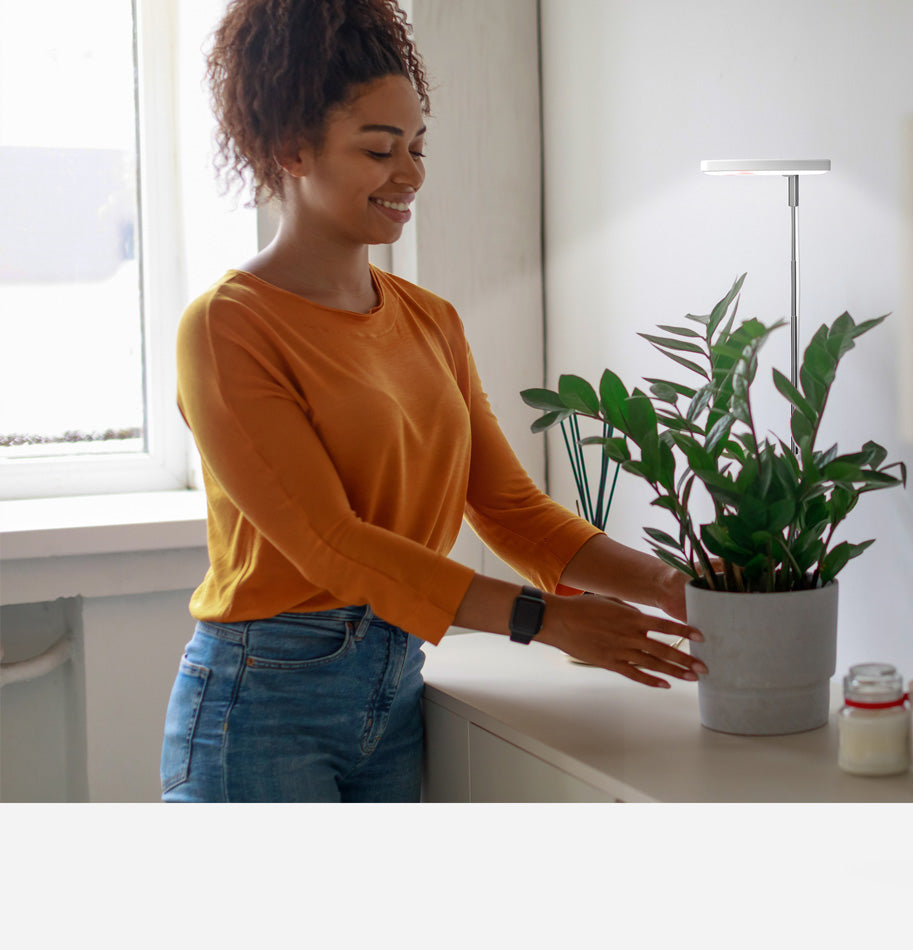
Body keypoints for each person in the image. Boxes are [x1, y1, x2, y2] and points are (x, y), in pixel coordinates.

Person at [159, 0, 703, 802]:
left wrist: (666, 586)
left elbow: (511, 509)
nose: (410, 174)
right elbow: (331, 545)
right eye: (380, 149)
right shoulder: (227, 328)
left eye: (417, 146)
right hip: (263, 698)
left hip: (399, 677)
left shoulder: (429, 319)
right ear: (291, 149)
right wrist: (543, 620)